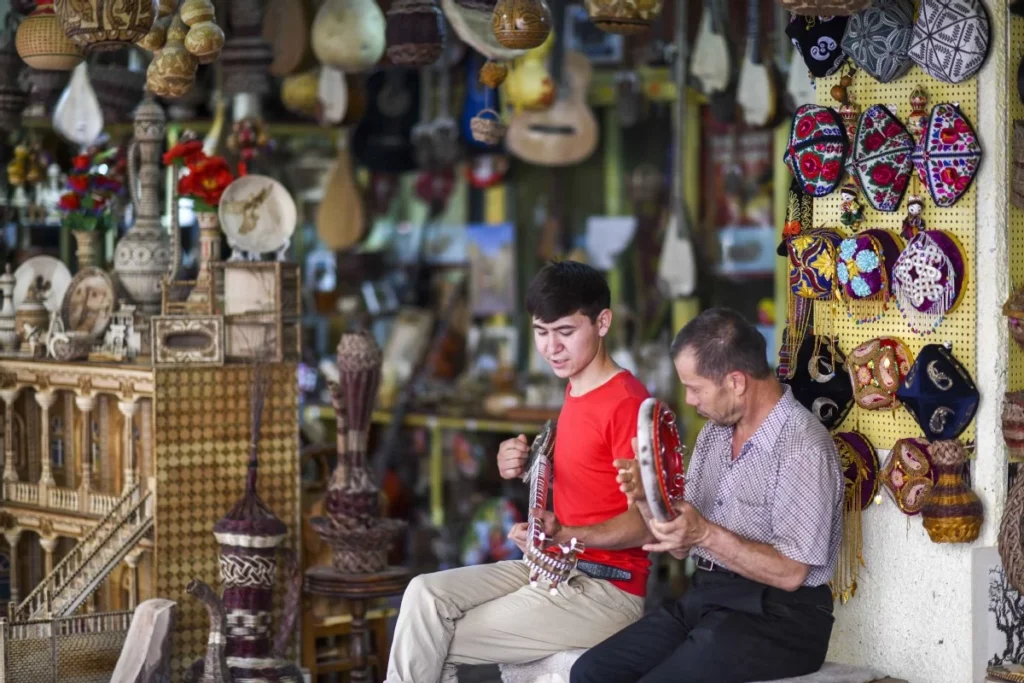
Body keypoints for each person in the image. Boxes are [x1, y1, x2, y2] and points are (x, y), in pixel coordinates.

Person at [385, 261, 654, 683]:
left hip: (605, 590)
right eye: (541, 332)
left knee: (433, 637)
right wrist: (524, 463)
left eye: (565, 331)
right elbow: (592, 476)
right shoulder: (577, 387)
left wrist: (565, 533)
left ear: (602, 323)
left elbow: (648, 524)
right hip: (553, 566)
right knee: (424, 593)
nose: (552, 347)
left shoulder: (627, 404)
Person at [571, 308, 844, 683]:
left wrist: (704, 533)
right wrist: (647, 497)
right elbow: (681, 547)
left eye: (695, 388)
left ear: (736, 382)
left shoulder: (802, 446)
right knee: (591, 672)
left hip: (783, 618)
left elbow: (791, 573)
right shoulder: (714, 435)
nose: (689, 399)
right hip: (708, 596)